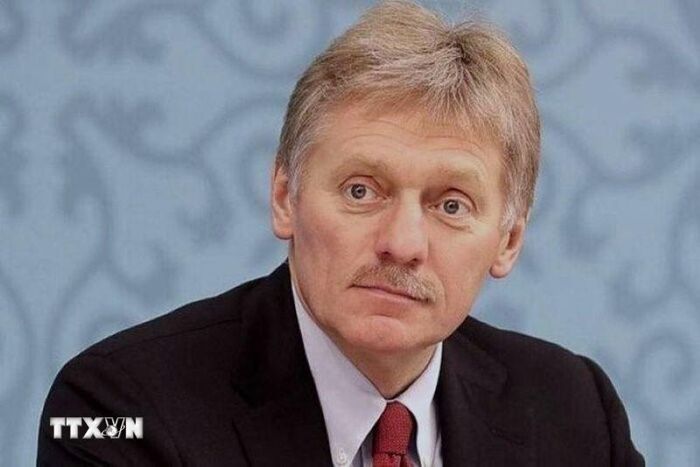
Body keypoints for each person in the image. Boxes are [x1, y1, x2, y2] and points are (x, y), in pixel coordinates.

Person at [37, 1, 645, 465]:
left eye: (451, 205)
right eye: (362, 191)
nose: (402, 244)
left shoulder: (575, 413)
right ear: (285, 197)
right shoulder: (120, 407)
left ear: (508, 241)